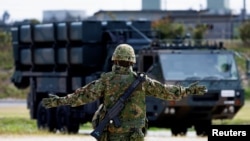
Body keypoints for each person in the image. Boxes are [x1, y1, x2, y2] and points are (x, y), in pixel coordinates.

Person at [42, 44, 207, 141]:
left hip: (111, 134)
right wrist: (189, 90)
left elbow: (82, 96)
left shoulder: (106, 80)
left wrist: (59, 101)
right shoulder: (142, 81)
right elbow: (167, 92)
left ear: (115, 60)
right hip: (134, 134)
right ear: (132, 62)